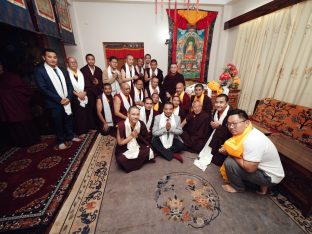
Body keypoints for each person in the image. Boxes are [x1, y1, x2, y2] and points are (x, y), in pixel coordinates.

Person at [221, 109, 285, 195]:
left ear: (246, 122)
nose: (231, 127)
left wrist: (230, 153)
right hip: (269, 170)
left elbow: (250, 168)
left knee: (229, 162)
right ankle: (263, 188)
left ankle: (238, 187)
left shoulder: (252, 140)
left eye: (235, 123)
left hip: (270, 177)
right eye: (229, 124)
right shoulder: (249, 131)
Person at [35, 49, 80, 150]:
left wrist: (68, 97)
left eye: (54, 57)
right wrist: (59, 99)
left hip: (66, 100)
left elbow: (69, 84)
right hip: (53, 102)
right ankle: (60, 140)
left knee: (68, 119)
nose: (53, 59)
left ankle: (70, 135)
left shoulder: (62, 69)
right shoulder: (40, 70)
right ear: (44, 57)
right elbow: (43, 88)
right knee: (57, 122)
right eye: (49, 57)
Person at [0, 62, 39, 147]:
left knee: (24, 123)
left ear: (2, 67)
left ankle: (32, 139)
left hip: (17, 104)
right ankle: (21, 142)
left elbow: (23, 89)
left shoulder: (11, 77)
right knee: (14, 126)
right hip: (6, 107)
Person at [195, 94, 232, 170]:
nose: (218, 105)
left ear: (227, 103)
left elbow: (232, 131)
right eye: (217, 102)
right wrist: (212, 125)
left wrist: (219, 127)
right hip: (215, 135)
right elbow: (213, 124)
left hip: (226, 139)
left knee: (217, 161)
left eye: (221, 102)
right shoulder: (215, 111)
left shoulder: (231, 113)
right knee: (199, 147)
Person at [116, 106, 155, 173]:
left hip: (138, 144)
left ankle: (133, 162)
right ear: (128, 114)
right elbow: (120, 143)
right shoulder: (121, 125)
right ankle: (139, 161)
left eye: (137, 114)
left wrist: (138, 136)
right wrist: (131, 136)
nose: (136, 117)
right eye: (133, 114)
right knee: (121, 159)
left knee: (149, 150)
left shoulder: (141, 124)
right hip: (125, 147)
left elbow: (146, 137)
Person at [67, 57, 89, 137]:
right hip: (74, 97)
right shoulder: (67, 74)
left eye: (75, 62)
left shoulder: (80, 73)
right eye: (71, 62)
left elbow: (87, 84)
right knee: (78, 115)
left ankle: (86, 129)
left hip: (84, 95)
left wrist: (84, 93)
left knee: (85, 114)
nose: (74, 64)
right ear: (68, 64)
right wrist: (78, 94)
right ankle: (80, 131)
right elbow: (68, 87)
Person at [80, 53, 103, 130]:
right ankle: (93, 126)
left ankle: (100, 124)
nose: (91, 61)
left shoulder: (98, 69)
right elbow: (82, 82)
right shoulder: (83, 70)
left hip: (98, 92)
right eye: (89, 59)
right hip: (89, 93)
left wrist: (98, 82)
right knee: (91, 109)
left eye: (92, 59)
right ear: (86, 60)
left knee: (99, 109)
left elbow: (101, 81)